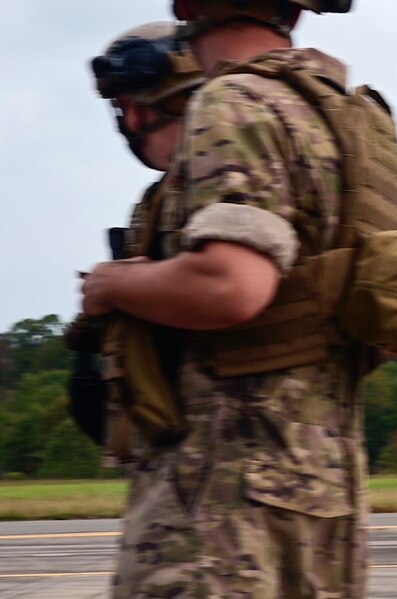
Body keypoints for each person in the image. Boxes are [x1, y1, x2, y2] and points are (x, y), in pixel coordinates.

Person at [80, 1, 370, 596]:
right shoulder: (337, 116)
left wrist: (110, 285)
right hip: (318, 483)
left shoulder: (234, 101)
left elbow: (233, 285)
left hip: (221, 496)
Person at [71, 22, 204, 460]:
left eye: (130, 105)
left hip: (211, 464)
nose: (130, 121)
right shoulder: (159, 202)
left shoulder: (196, 190)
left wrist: (112, 287)